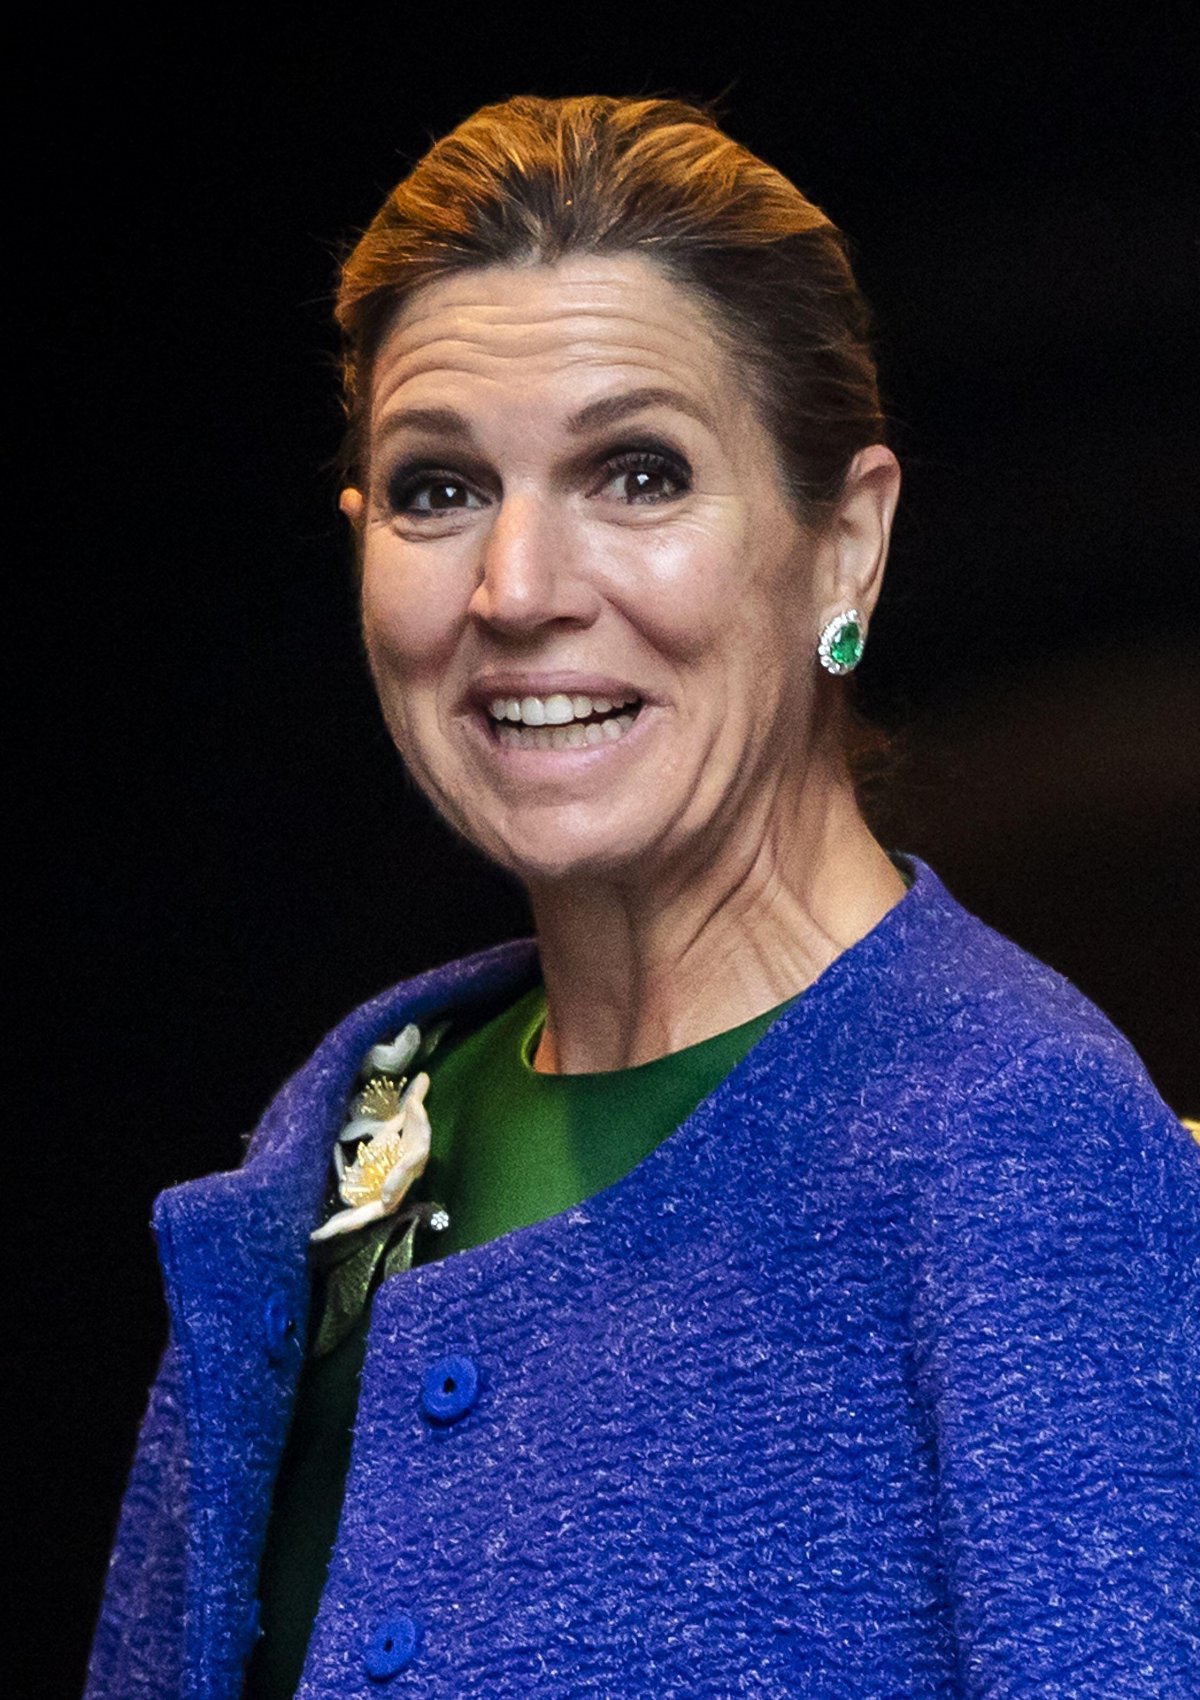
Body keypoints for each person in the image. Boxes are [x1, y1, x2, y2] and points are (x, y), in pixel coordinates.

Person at [86, 96, 1198, 1699]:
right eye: (438, 489)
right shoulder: (351, 1123)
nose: (517, 588)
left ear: (847, 546)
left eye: (638, 473)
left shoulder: (1017, 1144)